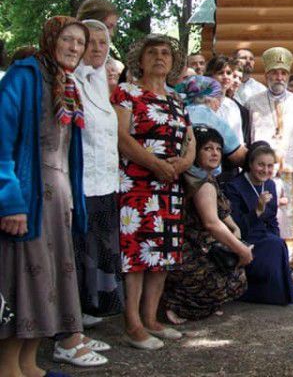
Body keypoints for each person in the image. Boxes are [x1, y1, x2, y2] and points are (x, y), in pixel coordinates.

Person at [0, 16, 112, 373]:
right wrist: (10, 201)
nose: (75, 48)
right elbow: (1, 144)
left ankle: (29, 364)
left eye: (80, 43)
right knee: (25, 282)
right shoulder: (24, 76)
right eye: (68, 40)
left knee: (49, 280)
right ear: (50, 39)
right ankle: (8, 368)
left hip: (59, 200)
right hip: (28, 197)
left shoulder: (66, 83)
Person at [113, 34, 195, 349]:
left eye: (165, 53)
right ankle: (132, 323)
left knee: (162, 253)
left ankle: (151, 319)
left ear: (174, 63)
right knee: (138, 253)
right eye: (152, 53)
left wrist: (184, 163)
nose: (159, 57)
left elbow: (190, 139)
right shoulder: (127, 92)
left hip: (170, 185)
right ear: (140, 59)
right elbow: (121, 136)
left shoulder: (177, 99)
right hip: (137, 182)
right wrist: (155, 164)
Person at [162, 126, 249, 322]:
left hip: (200, 247)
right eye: (207, 148)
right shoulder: (199, 182)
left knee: (235, 272)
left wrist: (235, 232)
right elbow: (212, 223)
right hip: (188, 252)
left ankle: (201, 302)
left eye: (218, 149)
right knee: (230, 278)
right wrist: (242, 251)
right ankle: (179, 305)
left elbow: (225, 216)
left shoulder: (209, 178)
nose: (214, 153)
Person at [72, 20, 123, 324]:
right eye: (91, 41)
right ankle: (74, 314)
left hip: (106, 182)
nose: (97, 48)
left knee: (100, 246)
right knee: (80, 248)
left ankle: (92, 306)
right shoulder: (70, 81)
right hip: (82, 181)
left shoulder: (99, 82)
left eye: (103, 43)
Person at [224, 142, 293, 305]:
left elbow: (272, 219)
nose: (265, 170)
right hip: (243, 237)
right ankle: (257, 293)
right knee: (273, 245)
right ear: (250, 164)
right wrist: (257, 211)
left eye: (270, 166)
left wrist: (278, 239)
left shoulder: (269, 184)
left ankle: (273, 291)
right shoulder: (234, 186)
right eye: (261, 165)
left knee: (277, 243)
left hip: (264, 236)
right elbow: (234, 225)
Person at [245, 47, 293, 247]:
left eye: (283, 73)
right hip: (261, 174)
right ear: (266, 76)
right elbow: (248, 137)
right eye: (274, 73)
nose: (279, 77)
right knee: (263, 220)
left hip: (290, 175)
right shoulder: (252, 103)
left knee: (291, 226)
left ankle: (292, 272)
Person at [177, 76, 246, 168]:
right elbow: (239, 156)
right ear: (209, 98)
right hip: (202, 177)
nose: (219, 103)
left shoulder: (179, 111)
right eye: (218, 97)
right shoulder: (210, 117)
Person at [205, 55, 250, 183]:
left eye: (229, 73)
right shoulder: (202, 102)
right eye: (220, 73)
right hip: (208, 163)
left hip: (231, 165)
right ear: (210, 76)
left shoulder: (233, 105)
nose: (225, 76)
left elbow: (238, 139)